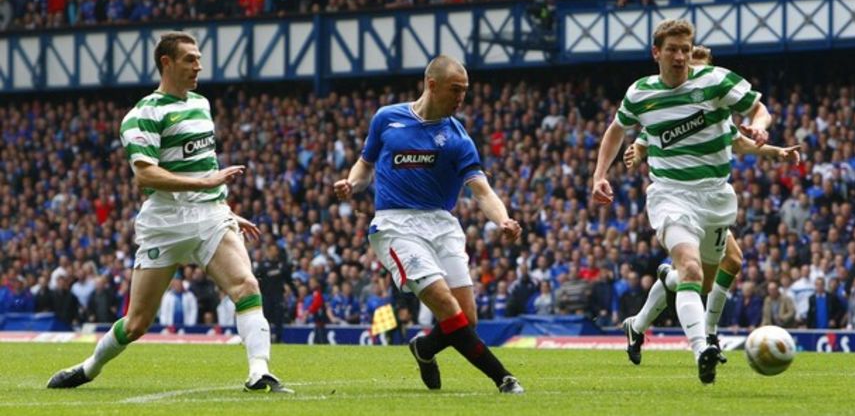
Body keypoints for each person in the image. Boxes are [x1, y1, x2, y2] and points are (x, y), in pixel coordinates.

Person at [47, 32, 291, 393]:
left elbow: (203, 165)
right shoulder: (143, 114)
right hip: (164, 221)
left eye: (198, 58)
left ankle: (259, 372)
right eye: (191, 59)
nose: (199, 66)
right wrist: (204, 185)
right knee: (137, 323)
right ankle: (89, 366)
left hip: (209, 216)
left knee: (247, 285)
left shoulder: (201, 105)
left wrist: (223, 208)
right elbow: (145, 174)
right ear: (167, 63)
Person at [592, 19, 774, 384]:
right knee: (690, 269)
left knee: (700, 282)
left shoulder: (715, 81)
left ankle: (647, 313)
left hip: (716, 196)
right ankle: (702, 347)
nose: (680, 57)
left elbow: (758, 108)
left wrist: (760, 126)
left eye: (685, 50)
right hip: (671, 194)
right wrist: (600, 174)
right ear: (656, 53)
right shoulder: (641, 93)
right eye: (672, 50)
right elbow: (617, 129)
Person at [333, 55, 524, 394]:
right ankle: (503, 377)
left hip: (442, 223)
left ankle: (424, 348)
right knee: (446, 305)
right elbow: (365, 165)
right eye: (456, 90)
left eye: (465, 91)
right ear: (431, 85)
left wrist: (503, 218)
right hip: (396, 225)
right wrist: (351, 183)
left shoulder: (457, 138)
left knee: (467, 319)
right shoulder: (387, 119)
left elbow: (482, 191)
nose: (462, 98)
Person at [619, 44, 800, 366]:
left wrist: (775, 151)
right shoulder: (666, 105)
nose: (691, 74)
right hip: (678, 197)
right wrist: (636, 148)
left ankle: (641, 323)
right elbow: (646, 136)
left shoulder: (716, 103)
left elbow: (739, 141)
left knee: (703, 273)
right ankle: (708, 337)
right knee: (715, 265)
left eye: (697, 66)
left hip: (711, 198)